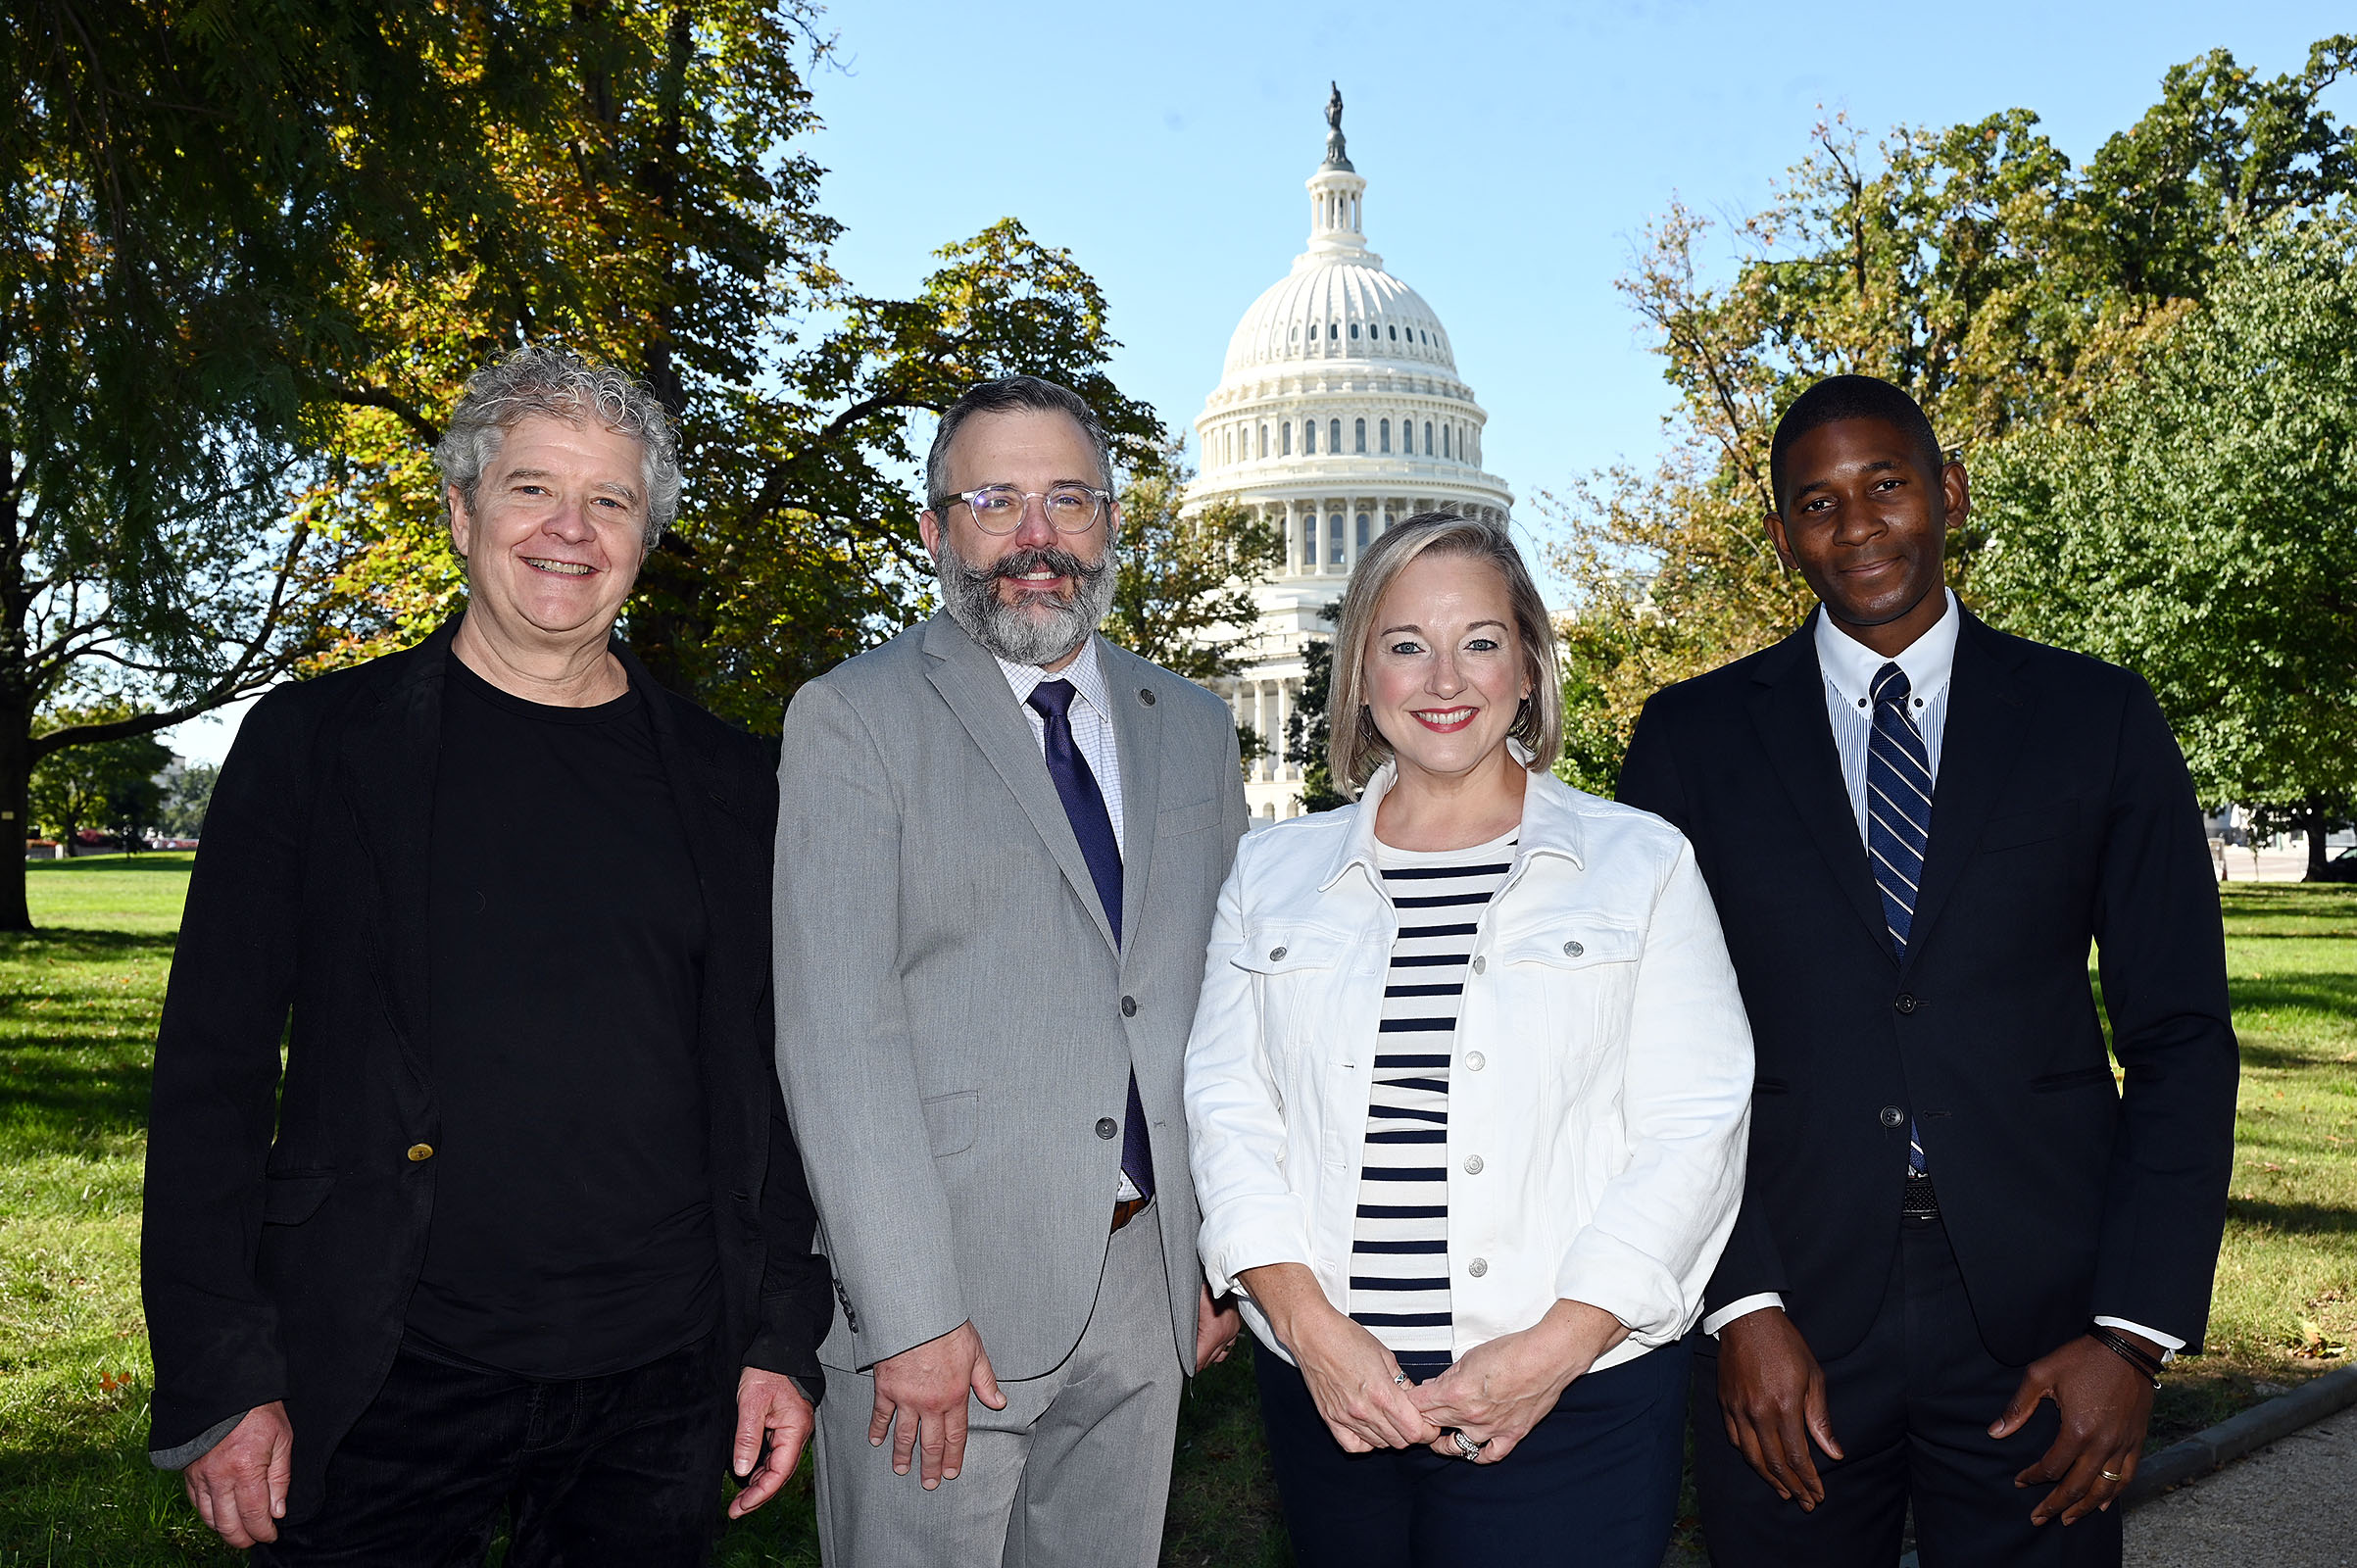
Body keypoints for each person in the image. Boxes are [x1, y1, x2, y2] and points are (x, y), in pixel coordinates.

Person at [141, 344, 832, 1564]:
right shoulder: (316, 746)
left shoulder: (735, 781)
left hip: (661, 1384)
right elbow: (211, 1075)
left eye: (609, 500)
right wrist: (216, 1374)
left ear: (644, 537)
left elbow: (771, 1085)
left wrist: (780, 1334)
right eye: (531, 488)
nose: (569, 530)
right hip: (378, 1369)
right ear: (462, 511)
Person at [1617, 374, 2239, 1567]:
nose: (1856, 527)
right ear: (1779, 532)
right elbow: (1647, 1047)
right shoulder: (1689, 739)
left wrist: (2131, 1332)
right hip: (1786, 1307)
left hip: (2044, 1312)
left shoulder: (2095, 716)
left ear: (1946, 492)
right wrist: (1737, 1304)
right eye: (1815, 502)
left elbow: (2179, 1035)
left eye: (1886, 484)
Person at [1185, 513, 1755, 1568]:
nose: (1443, 677)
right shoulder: (1269, 874)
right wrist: (1314, 1335)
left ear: (1530, 666)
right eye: (1404, 643)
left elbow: (1691, 1129)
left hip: (1572, 1399)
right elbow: (1227, 1115)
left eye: (1480, 641)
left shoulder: (1639, 864)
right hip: (1331, 1395)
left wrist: (1550, 1351)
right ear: (1358, 672)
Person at [771, 374, 1249, 1567]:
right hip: (943, 1313)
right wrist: (910, 1311)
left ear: (1111, 522)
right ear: (935, 530)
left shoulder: (1190, 723)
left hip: (1146, 1288)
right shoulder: (852, 718)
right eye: (994, 501)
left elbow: (1220, 1009)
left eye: (1067, 499)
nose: (1036, 538)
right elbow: (837, 1038)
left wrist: (1210, 1254)